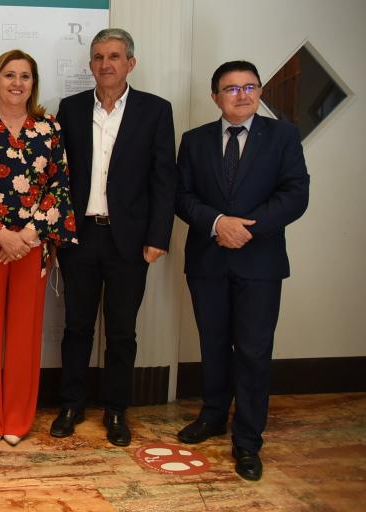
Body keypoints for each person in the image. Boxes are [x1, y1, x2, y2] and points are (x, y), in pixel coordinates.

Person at [176, 60, 309, 481]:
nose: (242, 95)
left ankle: (248, 439)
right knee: (213, 345)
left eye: (250, 86)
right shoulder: (194, 140)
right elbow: (182, 196)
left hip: (260, 261)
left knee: (253, 351)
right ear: (215, 97)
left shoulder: (283, 136)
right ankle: (213, 415)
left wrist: (247, 229)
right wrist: (218, 224)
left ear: (260, 92)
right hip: (208, 260)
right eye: (231, 89)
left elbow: (295, 194)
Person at [50, 28, 176, 447]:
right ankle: (71, 404)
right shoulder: (68, 109)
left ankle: (117, 409)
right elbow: (56, 177)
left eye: (115, 56)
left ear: (130, 63)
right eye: (99, 57)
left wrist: (159, 237)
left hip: (130, 241)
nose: (107, 64)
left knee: (122, 331)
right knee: (76, 328)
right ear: (90, 65)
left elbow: (164, 180)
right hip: (80, 237)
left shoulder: (155, 111)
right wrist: (57, 231)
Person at [0, 50, 77, 445]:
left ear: (33, 84)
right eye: (9, 75)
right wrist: (0, 233)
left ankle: (19, 417)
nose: (17, 83)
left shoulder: (49, 128)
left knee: (25, 333)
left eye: (25, 76)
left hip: (33, 245)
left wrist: (28, 236)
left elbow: (59, 186)